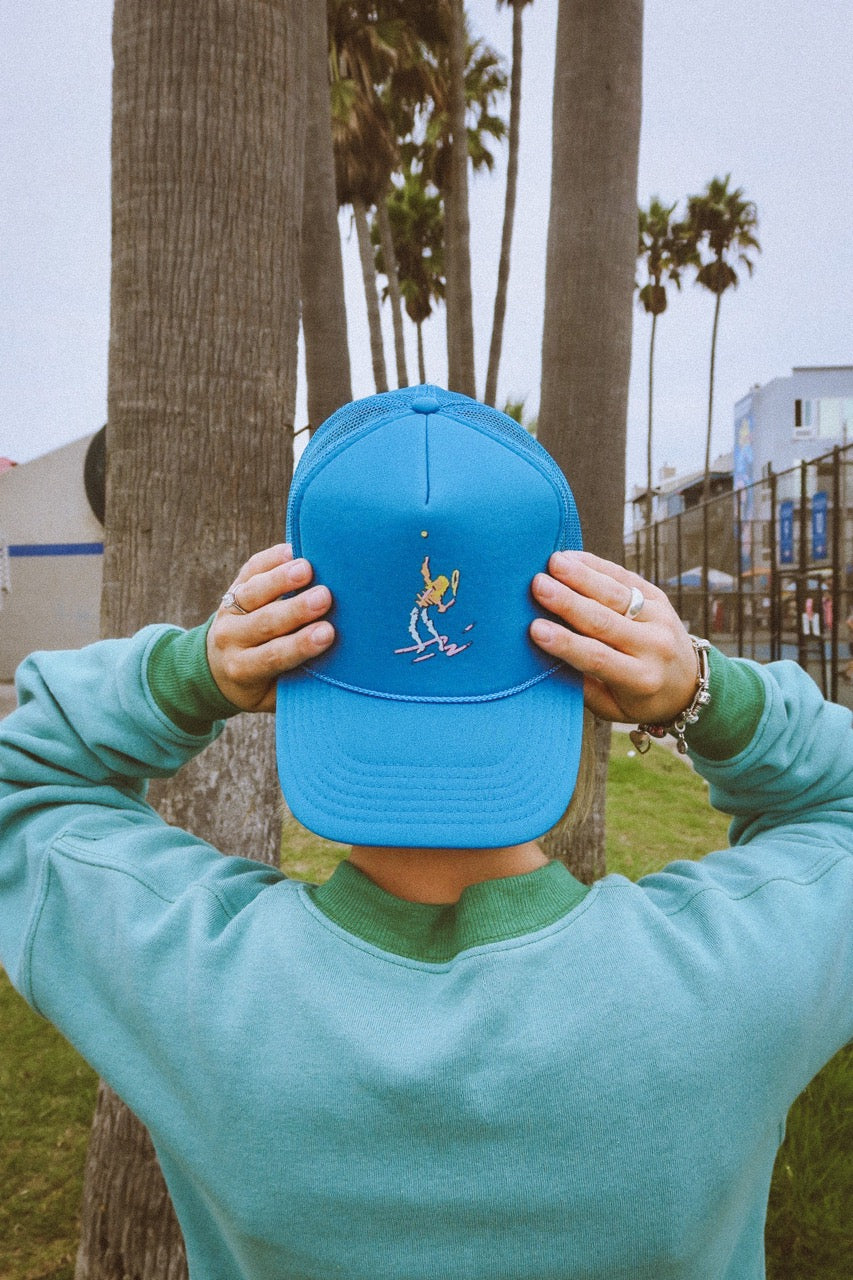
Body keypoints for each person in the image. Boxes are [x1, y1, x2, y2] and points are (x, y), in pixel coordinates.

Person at [0, 386, 851, 1280]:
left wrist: (191, 675)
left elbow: (23, 778)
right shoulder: (735, 977)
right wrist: (702, 698)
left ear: (292, 676)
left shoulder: (187, 982)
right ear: (579, 671)